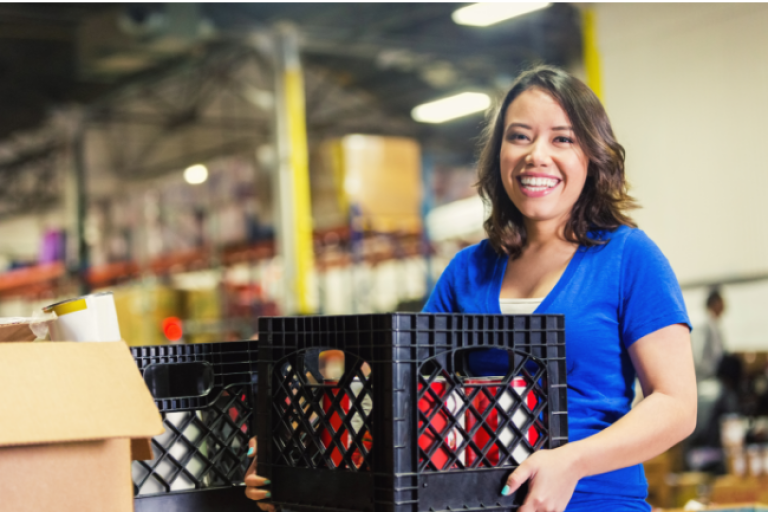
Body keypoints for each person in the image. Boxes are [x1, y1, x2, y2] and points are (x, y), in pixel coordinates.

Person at [245, 66, 697, 512]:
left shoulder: (628, 258)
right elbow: (398, 390)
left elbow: (676, 405)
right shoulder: (468, 271)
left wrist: (571, 463)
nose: (536, 154)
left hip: (594, 502)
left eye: (562, 138)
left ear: (592, 156)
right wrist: (291, 456)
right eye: (519, 136)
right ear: (498, 152)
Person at [692, 288, 726, 380]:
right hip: (704, 377)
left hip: (713, 373)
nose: (725, 307)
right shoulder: (702, 323)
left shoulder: (713, 324)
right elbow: (698, 356)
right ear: (715, 303)